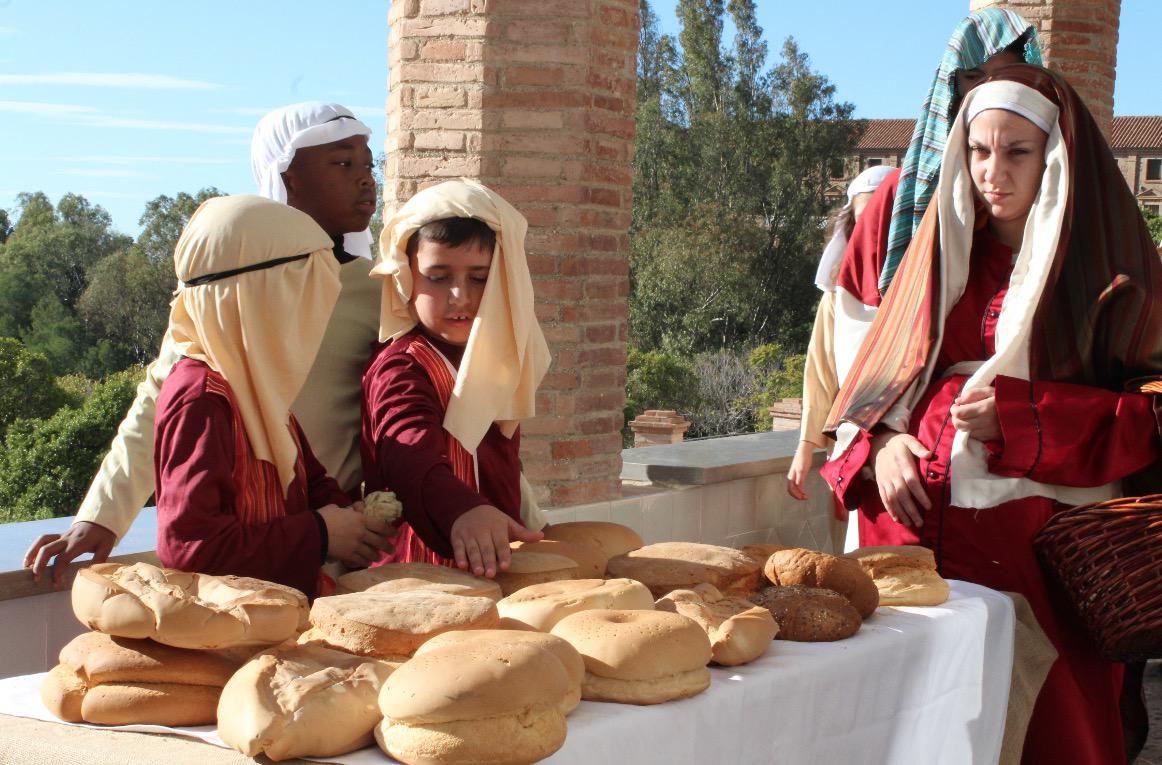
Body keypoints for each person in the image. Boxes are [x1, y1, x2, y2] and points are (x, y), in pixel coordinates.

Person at [822, 65, 1162, 764]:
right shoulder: (936, 258)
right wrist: (883, 444)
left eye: (1016, 152)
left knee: (1048, 727)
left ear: (1054, 155)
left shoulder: (1112, 274)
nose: (992, 172)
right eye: (978, 150)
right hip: (912, 543)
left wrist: (1028, 417)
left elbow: (1153, 414)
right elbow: (867, 393)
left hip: (1043, 564)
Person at [24, 102, 382, 585]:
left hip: (330, 554)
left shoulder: (382, 292)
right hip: (239, 560)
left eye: (368, 165)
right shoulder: (222, 294)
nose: (365, 180)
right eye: (342, 163)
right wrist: (101, 515)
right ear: (287, 176)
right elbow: (158, 400)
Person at [154, 195, 388, 597]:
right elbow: (190, 549)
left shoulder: (256, 388)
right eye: (302, 307)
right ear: (255, 303)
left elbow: (307, 477)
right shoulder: (202, 400)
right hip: (230, 642)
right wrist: (320, 533)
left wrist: (348, 517)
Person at [362, 179, 550, 578]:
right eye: (438, 276)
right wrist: (461, 509)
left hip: (493, 561)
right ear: (406, 277)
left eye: (479, 278)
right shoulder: (403, 366)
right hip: (421, 572)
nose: (459, 296)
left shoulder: (494, 358)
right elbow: (406, 452)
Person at [835, 8, 1042, 326]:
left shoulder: (1059, 197)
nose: (987, 92)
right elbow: (860, 322)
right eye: (972, 77)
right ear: (951, 88)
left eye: (1006, 79)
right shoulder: (895, 197)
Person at [785, 165, 894, 519]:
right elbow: (821, 372)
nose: (873, 230)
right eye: (864, 220)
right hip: (850, 450)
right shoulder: (836, 298)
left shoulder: (923, 288)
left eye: (883, 217)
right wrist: (806, 447)